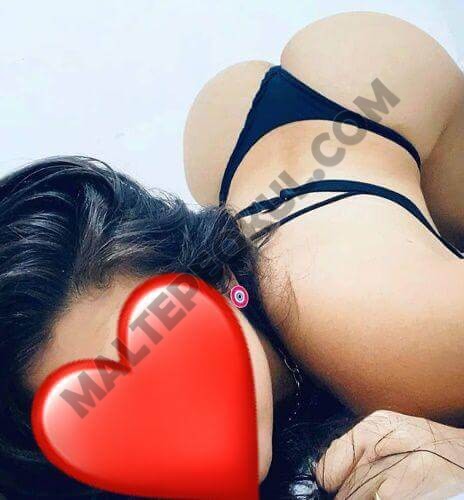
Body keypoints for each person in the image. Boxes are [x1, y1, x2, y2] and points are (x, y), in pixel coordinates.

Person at [0, 11, 463, 500]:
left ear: (218, 276)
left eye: (170, 359)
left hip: (368, 93)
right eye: (110, 422)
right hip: (229, 150)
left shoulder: (387, 330)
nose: (176, 430)